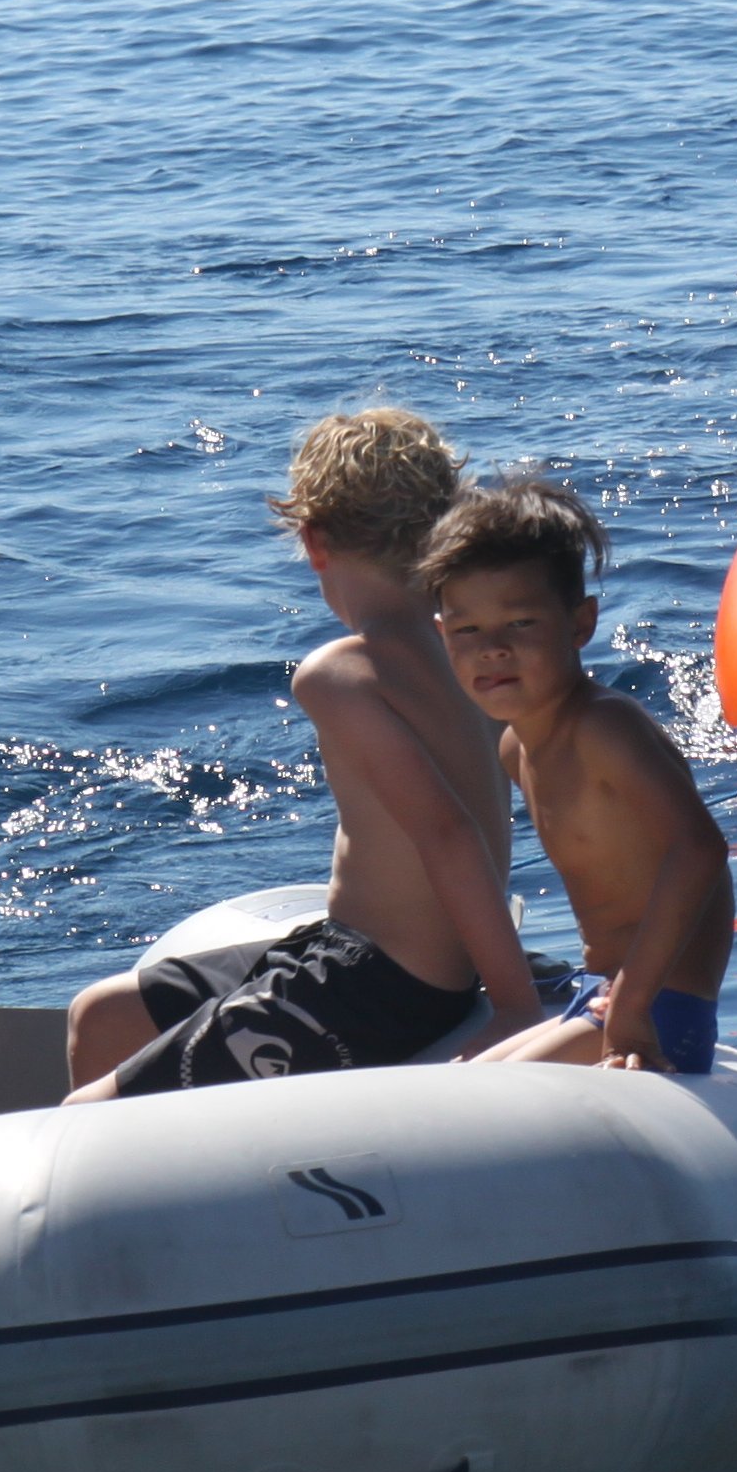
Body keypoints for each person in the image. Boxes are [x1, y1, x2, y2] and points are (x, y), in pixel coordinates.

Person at [68, 410, 545, 1097]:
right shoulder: (461, 653)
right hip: (349, 951)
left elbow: (447, 833)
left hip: (383, 989)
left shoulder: (342, 674)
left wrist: (516, 1004)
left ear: (315, 539)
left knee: (84, 1111)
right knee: (101, 1016)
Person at [427, 477, 737, 1076]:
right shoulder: (516, 747)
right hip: (601, 994)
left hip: (659, 1011)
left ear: (579, 624)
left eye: (520, 623)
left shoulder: (604, 728)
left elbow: (700, 849)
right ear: (443, 635)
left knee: (471, 1105)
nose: (492, 648)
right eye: (468, 630)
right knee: (452, 1085)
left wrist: (634, 1001)